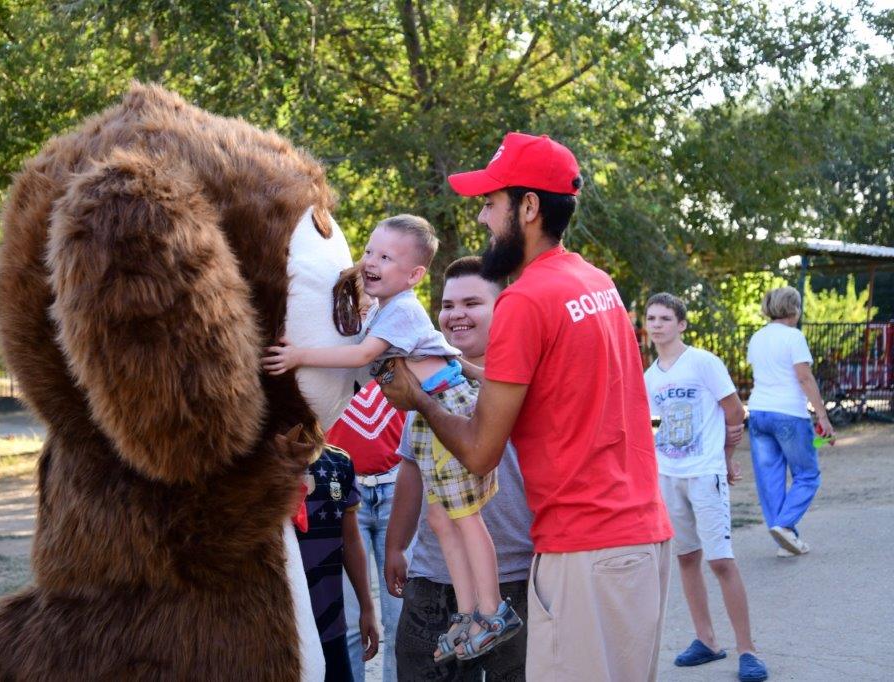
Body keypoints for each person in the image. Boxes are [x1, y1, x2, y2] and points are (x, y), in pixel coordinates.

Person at [378, 132, 673, 681]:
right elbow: (556, 387)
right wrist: (463, 371)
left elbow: (479, 452)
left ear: (529, 207)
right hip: (642, 536)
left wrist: (416, 398)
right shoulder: (596, 283)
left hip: (581, 548)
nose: (484, 218)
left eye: (491, 203)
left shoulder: (524, 299)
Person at [264, 214, 521, 664]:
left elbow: (362, 356)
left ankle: (492, 610)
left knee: (466, 518)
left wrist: (299, 355)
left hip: (443, 405)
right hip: (424, 415)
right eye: (369, 251)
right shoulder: (386, 310)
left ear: (415, 275)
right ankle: (466, 613)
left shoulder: (401, 309)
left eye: (386, 257)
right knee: (440, 520)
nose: (371, 261)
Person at [385, 256, 534, 681]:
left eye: (472, 303)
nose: (456, 314)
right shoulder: (427, 378)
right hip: (434, 576)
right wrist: (396, 546)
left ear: (502, 310)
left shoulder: (524, 379)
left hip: (515, 575)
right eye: (448, 305)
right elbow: (412, 469)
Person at [644, 293, 768, 682]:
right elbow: (654, 424)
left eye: (665, 318)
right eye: (651, 318)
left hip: (704, 473)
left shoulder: (703, 362)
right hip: (669, 475)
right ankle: (707, 640)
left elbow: (734, 411)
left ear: (681, 324)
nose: (657, 324)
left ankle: (747, 650)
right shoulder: (650, 377)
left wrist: (726, 457)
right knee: (686, 557)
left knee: (720, 560)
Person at [326, 381, 406, 682]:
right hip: (342, 488)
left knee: (399, 618)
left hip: (397, 485)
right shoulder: (329, 358)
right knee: (348, 622)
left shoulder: (393, 357)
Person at [747, 286, 835, 556]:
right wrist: (822, 415)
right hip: (788, 414)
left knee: (770, 480)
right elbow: (804, 378)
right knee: (807, 475)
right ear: (794, 309)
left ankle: (786, 542)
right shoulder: (793, 337)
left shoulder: (757, 338)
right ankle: (785, 525)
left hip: (758, 412)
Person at [295, 443, 380, 682]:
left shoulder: (338, 462)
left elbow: (351, 540)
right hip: (279, 628)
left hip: (330, 623)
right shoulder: (257, 463)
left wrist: (367, 608)